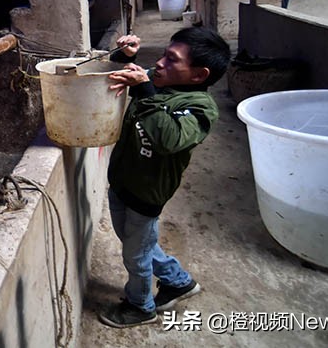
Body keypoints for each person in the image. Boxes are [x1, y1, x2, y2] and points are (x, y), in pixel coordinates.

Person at [98, 27, 231, 328]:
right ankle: (178, 281)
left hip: (147, 193)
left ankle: (140, 307)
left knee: (136, 257)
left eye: (172, 60)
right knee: (136, 242)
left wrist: (144, 88)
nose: (159, 64)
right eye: (163, 55)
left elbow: (167, 139)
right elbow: (128, 72)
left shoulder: (199, 108)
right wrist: (124, 56)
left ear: (198, 75)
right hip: (123, 181)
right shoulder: (160, 81)